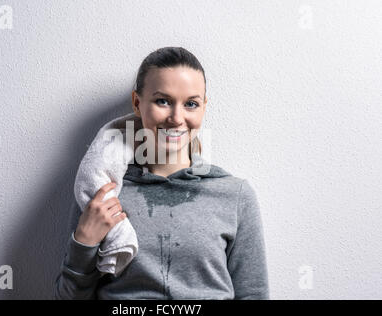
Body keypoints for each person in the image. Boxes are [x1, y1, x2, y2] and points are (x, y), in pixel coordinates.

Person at [54, 46, 270, 300]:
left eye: (191, 104)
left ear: (203, 107)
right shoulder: (105, 193)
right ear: (137, 102)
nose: (177, 118)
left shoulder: (235, 195)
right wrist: (84, 243)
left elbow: (253, 294)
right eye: (163, 101)